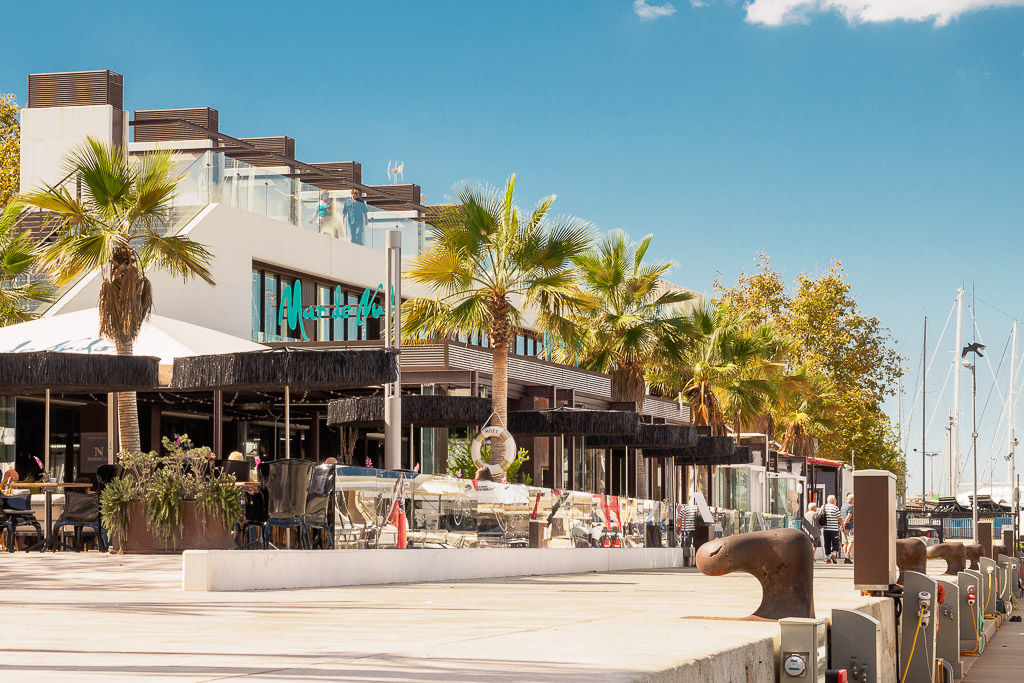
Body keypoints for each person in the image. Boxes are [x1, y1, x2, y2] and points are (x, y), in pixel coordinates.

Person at [821, 494, 842, 564]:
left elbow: (819, 515)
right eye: (835, 500)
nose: (836, 501)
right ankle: (833, 554)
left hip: (825, 529)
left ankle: (828, 558)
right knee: (835, 543)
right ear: (833, 501)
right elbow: (839, 518)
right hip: (834, 529)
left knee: (827, 543)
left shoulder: (823, 507)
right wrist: (843, 525)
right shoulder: (835, 508)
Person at [840, 493, 854, 564]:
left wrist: (842, 525)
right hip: (850, 525)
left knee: (845, 542)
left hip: (843, 526)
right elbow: (849, 515)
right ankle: (847, 556)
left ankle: (846, 556)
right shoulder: (851, 507)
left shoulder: (843, 506)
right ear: (851, 500)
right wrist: (845, 523)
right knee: (851, 541)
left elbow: (841, 515)